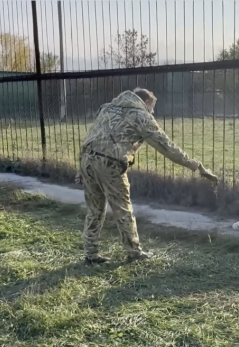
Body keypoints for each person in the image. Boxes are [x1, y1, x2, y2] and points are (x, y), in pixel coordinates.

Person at [75, 87, 218, 265]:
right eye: (152, 108)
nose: (153, 112)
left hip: (88, 160)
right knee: (122, 209)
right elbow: (166, 145)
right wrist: (194, 165)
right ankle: (134, 252)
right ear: (147, 102)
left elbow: (90, 137)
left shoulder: (108, 108)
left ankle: (90, 253)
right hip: (109, 164)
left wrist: (80, 169)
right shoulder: (140, 115)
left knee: (95, 210)